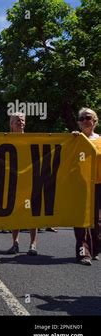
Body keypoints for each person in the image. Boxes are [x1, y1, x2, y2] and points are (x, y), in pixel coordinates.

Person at [6, 112, 38, 256]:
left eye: (23, 120)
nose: (21, 122)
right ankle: (15, 243)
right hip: (13, 181)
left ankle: (33, 244)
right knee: (15, 213)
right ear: (11, 124)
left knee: (32, 213)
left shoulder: (32, 139)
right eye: (17, 120)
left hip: (30, 181)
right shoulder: (4, 140)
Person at [73, 107, 100, 265]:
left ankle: (96, 248)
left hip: (98, 185)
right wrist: (73, 140)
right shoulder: (75, 140)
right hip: (80, 186)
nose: (84, 121)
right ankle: (83, 253)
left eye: (88, 117)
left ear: (94, 121)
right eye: (81, 118)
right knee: (81, 219)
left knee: (97, 221)